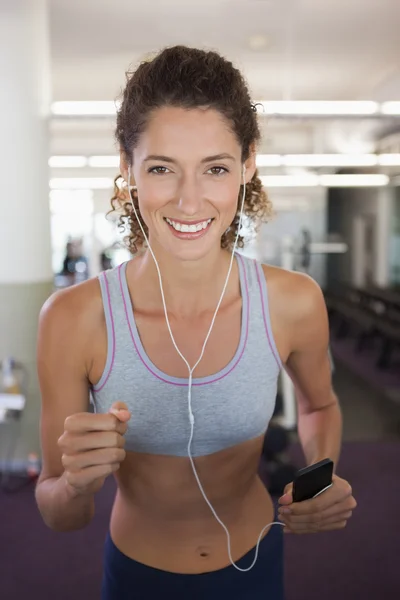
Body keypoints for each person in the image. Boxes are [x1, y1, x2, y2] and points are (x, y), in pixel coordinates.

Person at [35, 46, 357, 599]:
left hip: (257, 561)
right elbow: (60, 514)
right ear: (127, 165)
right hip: (137, 573)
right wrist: (76, 484)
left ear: (247, 163)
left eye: (215, 168)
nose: (189, 200)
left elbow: (319, 404)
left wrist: (321, 476)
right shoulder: (74, 318)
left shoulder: (294, 301)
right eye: (162, 168)